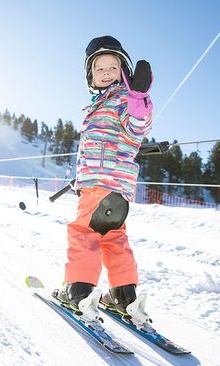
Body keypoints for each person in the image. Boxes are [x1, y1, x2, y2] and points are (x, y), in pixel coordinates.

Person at [56, 35, 154, 327]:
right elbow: (98, 147)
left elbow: (137, 127)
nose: (107, 72)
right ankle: (124, 297)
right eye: (100, 68)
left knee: (84, 234)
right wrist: (80, 180)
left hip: (102, 186)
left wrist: (138, 99)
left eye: (113, 67)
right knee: (114, 239)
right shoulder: (99, 105)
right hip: (116, 189)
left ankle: (79, 291)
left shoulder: (125, 99)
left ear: (124, 72)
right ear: (91, 76)